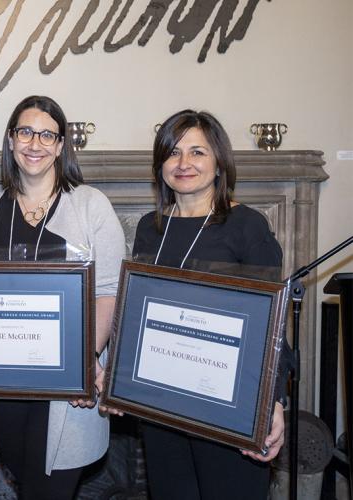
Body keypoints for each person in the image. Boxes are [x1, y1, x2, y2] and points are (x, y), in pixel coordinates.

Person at [0, 95, 126, 499]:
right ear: (11, 140)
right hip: (1, 390)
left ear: (62, 146)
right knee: (29, 486)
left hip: (66, 394)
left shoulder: (90, 206)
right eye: (25, 131)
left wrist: (83, 364)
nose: (35, 143)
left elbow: (108, 292)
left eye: (48, 134)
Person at [131, 109, 288, 500]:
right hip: (162, 406)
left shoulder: (246, 225)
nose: (184, 164)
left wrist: (274, 402)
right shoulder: (149, 229)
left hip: (229, 408)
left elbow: (272, 324)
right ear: (160, 165)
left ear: (219, 163)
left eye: (197, 152)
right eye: (173, 153)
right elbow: (137, 315)